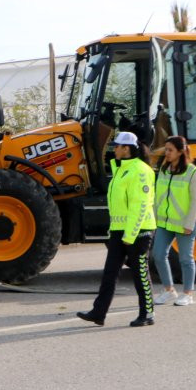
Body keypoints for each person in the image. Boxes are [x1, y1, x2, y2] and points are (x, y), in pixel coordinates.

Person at [78, 131, 157, 327]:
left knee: (140, 274)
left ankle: (147, 313)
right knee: (109, 273)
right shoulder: (121, 169)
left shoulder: (141, 171)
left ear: (127, 149)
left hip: (138, 231)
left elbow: (140, 205)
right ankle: (98, 313)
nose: (114, 149)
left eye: (117, 146)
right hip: (119, 230)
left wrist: (130, 234)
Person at [152, 136, 196, 306]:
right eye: (165, 149)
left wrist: (189, 223)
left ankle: (188, 294)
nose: (166, 153)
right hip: (164, 222)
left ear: (180, 152)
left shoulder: (192, 172)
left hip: (184, 224)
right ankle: (169, 290)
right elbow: (157, 196)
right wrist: (155, 218)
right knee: (158, 255)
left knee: (186, 259)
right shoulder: (164, 169)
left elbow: (195, 201)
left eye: (170, 150)